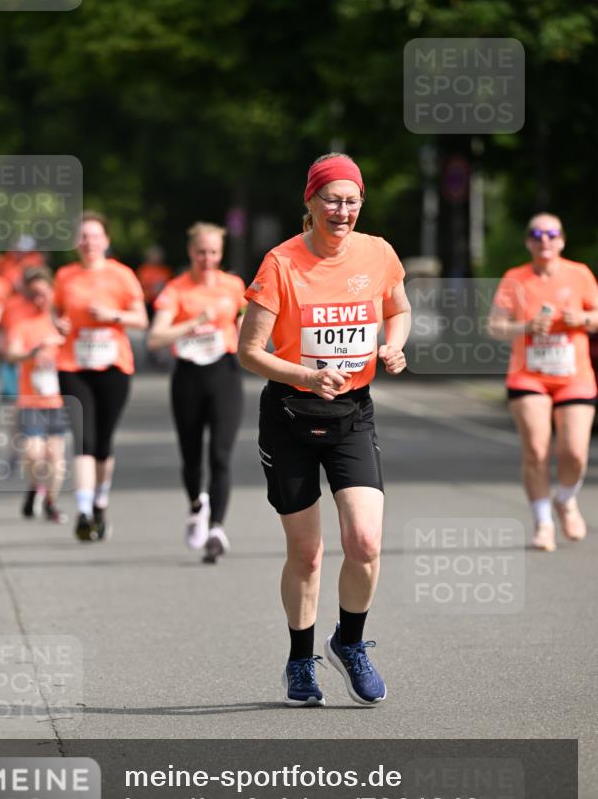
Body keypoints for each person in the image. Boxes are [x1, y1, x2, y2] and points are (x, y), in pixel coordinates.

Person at [238, 153, 410, 706]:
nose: (343, 210)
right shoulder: (281, 263)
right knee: (307, 553)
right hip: (289, 415)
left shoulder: (378, 252)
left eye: (352, 200)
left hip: (353, 413)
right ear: (309, 203)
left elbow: (399, 308)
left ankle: (350, 643)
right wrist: (308, 377)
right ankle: (300, 661)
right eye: (331, 199)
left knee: (364, 540)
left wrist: (393, 344)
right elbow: (249, 352)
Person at [488, 213, 598, 552]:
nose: (545, 240)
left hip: (574, 377)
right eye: (537, 234)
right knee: (537, 449)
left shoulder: (579, 274)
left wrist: (581, 319)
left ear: (562, 240)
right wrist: (525, 328)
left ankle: (565, 499)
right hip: (528, 376)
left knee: (575, 453)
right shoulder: (514, 278)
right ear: (528, 241)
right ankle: (544, 522)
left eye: (552, 234)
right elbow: (494, 326)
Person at [148, 222, 246, 562]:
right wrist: (195, 321)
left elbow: (245, 323)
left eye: (214, 252)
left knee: (220, 454)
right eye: (201, 252)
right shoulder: (176, 289)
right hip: (188, 376)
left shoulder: (233, 286)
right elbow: (155, 337)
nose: (207, 258)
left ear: (221, 253)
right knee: (191, 456)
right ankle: (196, 507)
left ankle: (217, 528)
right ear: (191, 252)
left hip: (225, 373)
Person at [54, 211, 148, 541]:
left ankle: (99, 501)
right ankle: (82, 510)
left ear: (105, 241)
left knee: (103, 443)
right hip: (72, 365)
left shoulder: (121, 275)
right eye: (82, 236)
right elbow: (55, 315)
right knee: (83, 439)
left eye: (94, 236)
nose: (88, 242)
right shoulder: (65, 276)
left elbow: (141, 319)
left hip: (113, 366)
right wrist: (59, 325)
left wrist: (113, 315)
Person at [5, 268, 68, 524]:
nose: (39, 300)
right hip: (31, 399)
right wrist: (31, 354)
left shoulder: (64, 321)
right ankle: (35, 487)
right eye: (33, 295)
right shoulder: (22, 322)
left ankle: (51, 502)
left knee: (55, 457)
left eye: (43, 294)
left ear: (53, 292)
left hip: (59, 400)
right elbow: (11, 354)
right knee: (33, 454)